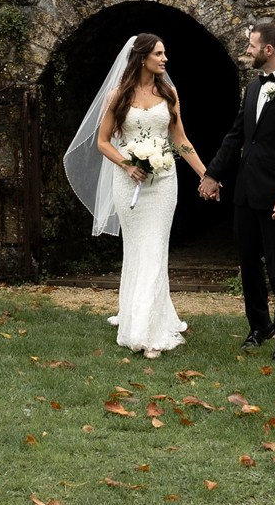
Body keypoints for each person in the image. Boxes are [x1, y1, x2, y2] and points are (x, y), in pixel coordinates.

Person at [61, 33, 209, 357]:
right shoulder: (118, 95)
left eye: (165, 53)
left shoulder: (169, 93)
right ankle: (137, 318)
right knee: (138, 249)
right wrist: (128, 165)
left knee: (156, 248)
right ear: (143, 58)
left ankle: (149, 331)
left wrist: (205, 174)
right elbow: (102, 142)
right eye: (159, 53)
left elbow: (180, 140)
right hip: (129, 182)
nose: (165, 59)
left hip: (164, 182)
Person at [198, 18, 275, 361]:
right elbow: (236, 135)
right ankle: (259, 326)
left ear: (268, 49)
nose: (246, 50)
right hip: (245, 194)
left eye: (250, 45)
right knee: (248, 263)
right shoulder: (252, 88)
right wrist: (212, 174)